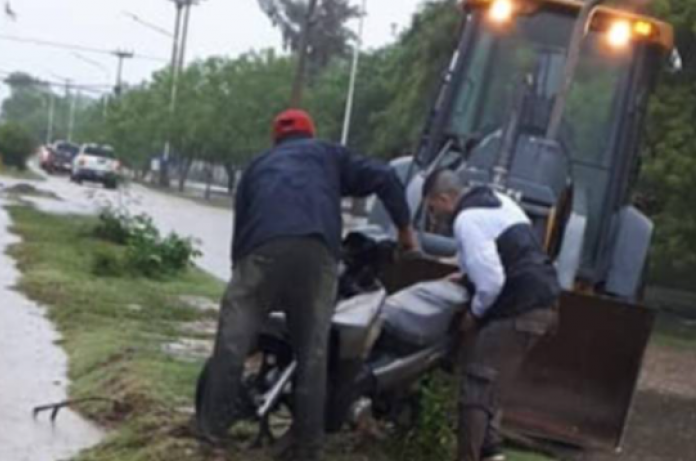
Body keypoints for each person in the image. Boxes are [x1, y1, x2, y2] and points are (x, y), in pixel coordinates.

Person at [196, 109, 415, 460]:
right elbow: (386, 176)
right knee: (312, 353)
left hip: (259, 252)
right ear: (310, 134)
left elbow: (241, 229)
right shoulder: (328, 155)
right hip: (317, 253)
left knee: (231, 346)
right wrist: (405, 231)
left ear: (276, 140)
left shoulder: (257, 166)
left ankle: (211, 437)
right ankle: (309, 446)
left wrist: (244, 279)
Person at [423, 169, 560, 461]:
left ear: (444, 198)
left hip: (519, 305)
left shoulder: (466, 219)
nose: (434, 216)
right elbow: (506, 251)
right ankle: (492, 453)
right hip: (543, 302)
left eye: (432, 208)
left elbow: (491, 282)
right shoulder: (498, 201)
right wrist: (464, 273)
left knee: (477, 386)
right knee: (491, 385)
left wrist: (474, 313)